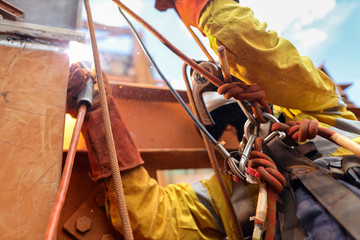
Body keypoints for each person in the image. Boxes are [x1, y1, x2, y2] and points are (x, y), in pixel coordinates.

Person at [66, 0, 360, 239]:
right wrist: (100, 116)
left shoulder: (323, 109)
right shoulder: (231, 193)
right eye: (228, 124)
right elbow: (153, 217)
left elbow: (248, 44)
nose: (242, 125)